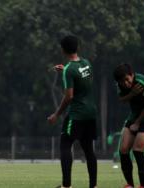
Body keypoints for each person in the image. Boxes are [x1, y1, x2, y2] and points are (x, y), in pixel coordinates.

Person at [47, 35, 97, 188]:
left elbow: (69, 96)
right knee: (88, 149)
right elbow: (82, 81)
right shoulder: (86, 63)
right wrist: (66, 72)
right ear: (78, 47)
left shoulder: (69, 69)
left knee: (65, 145)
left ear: (63, 50)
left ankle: (66, 186)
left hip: (77, 114)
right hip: (91, 113)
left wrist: (57, 114)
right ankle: (93, 185)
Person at [113, 63, 144, 188]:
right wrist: (132, 94)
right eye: (122, 82)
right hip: (133, 116)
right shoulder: (120, 85)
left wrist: (138, 123)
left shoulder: (142, 82)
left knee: (138, 151)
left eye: (127, 79)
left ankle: (143, 186)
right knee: (123, 150)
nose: (126, 83)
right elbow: (122, 99)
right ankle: (130, 185)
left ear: (132, 74)